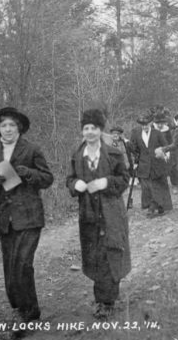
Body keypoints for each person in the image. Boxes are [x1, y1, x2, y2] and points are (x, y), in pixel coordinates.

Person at [0, 107, 54, 329]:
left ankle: (30, 312)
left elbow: (47, 178)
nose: (7, 129)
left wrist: (27, 173)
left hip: (29, 216)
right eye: (3, 125)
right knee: (9, 265)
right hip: (6, 219)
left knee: (22, 264)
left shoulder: (31, 149)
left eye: (11, 125)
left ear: (19, 128)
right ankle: (19, 308)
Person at [65, 109, 131, 320]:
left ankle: (107, 300)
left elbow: (124, 179)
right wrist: (77, 184)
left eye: (94, 128)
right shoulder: (77, 155)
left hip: (111, 212)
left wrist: (106, 182)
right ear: (82, 131)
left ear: (101, 130)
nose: (90, 132)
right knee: (95, 255)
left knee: (112, 250)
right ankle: (103, 297)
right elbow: (69, 180)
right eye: (86, 128)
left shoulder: (113, 153)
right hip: (89, 214)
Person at [130, 112, 173, 218]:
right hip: (144, 164)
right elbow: (135, 150)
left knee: (158, 185)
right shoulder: (136, 134)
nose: (144, 126)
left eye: (146, 124)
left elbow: (166, 146)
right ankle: (152, 206)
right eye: (142, 125)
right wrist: (135, 160)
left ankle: (156, 207)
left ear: (150, 123)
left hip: (157, 163)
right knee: (147, 187)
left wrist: (166, 156)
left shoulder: (157, 133)